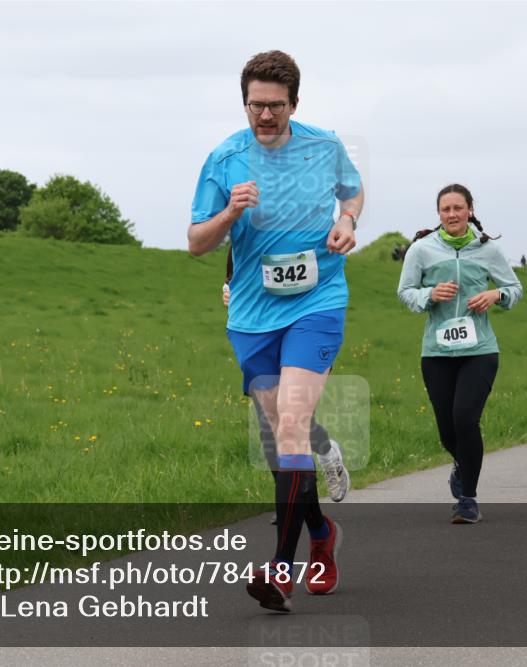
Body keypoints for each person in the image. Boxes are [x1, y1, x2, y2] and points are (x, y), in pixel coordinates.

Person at [189, 50, 363, 612]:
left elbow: (352, 191)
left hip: (317, 299)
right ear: (244, 102)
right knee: (282, 438)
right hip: (251, 315)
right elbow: (197, 241)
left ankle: (279, 570)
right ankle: (322, 535)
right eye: (256, 105)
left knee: (292, 424)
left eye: (276, 106)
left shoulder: (324, 145)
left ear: (294, 103)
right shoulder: (224, 159)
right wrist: (229, 214)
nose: (265, 116)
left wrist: (347, 220)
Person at [397, 184, 522, 524]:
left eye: (457, 208)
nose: (451, 214)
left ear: (469, 210)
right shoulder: (421, 250)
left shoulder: (487, 250)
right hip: (437, 352)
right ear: (438, 213)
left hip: (479, 349)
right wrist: (429, 294)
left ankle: (468, 498)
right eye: (445, 209)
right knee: (447, 430)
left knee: (466, 419)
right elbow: (405, 292)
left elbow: (515, 289)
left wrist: (495, 295)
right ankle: (461, 464)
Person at [222, 253, 351, 507]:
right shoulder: (248, 229)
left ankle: (300, 498)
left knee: (292, 417)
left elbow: (325, 273)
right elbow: (234, 278)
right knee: (270, 426)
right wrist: (230, 294)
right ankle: (290, 498)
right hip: (260, 332)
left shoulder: (306, 229)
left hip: (303, 329)